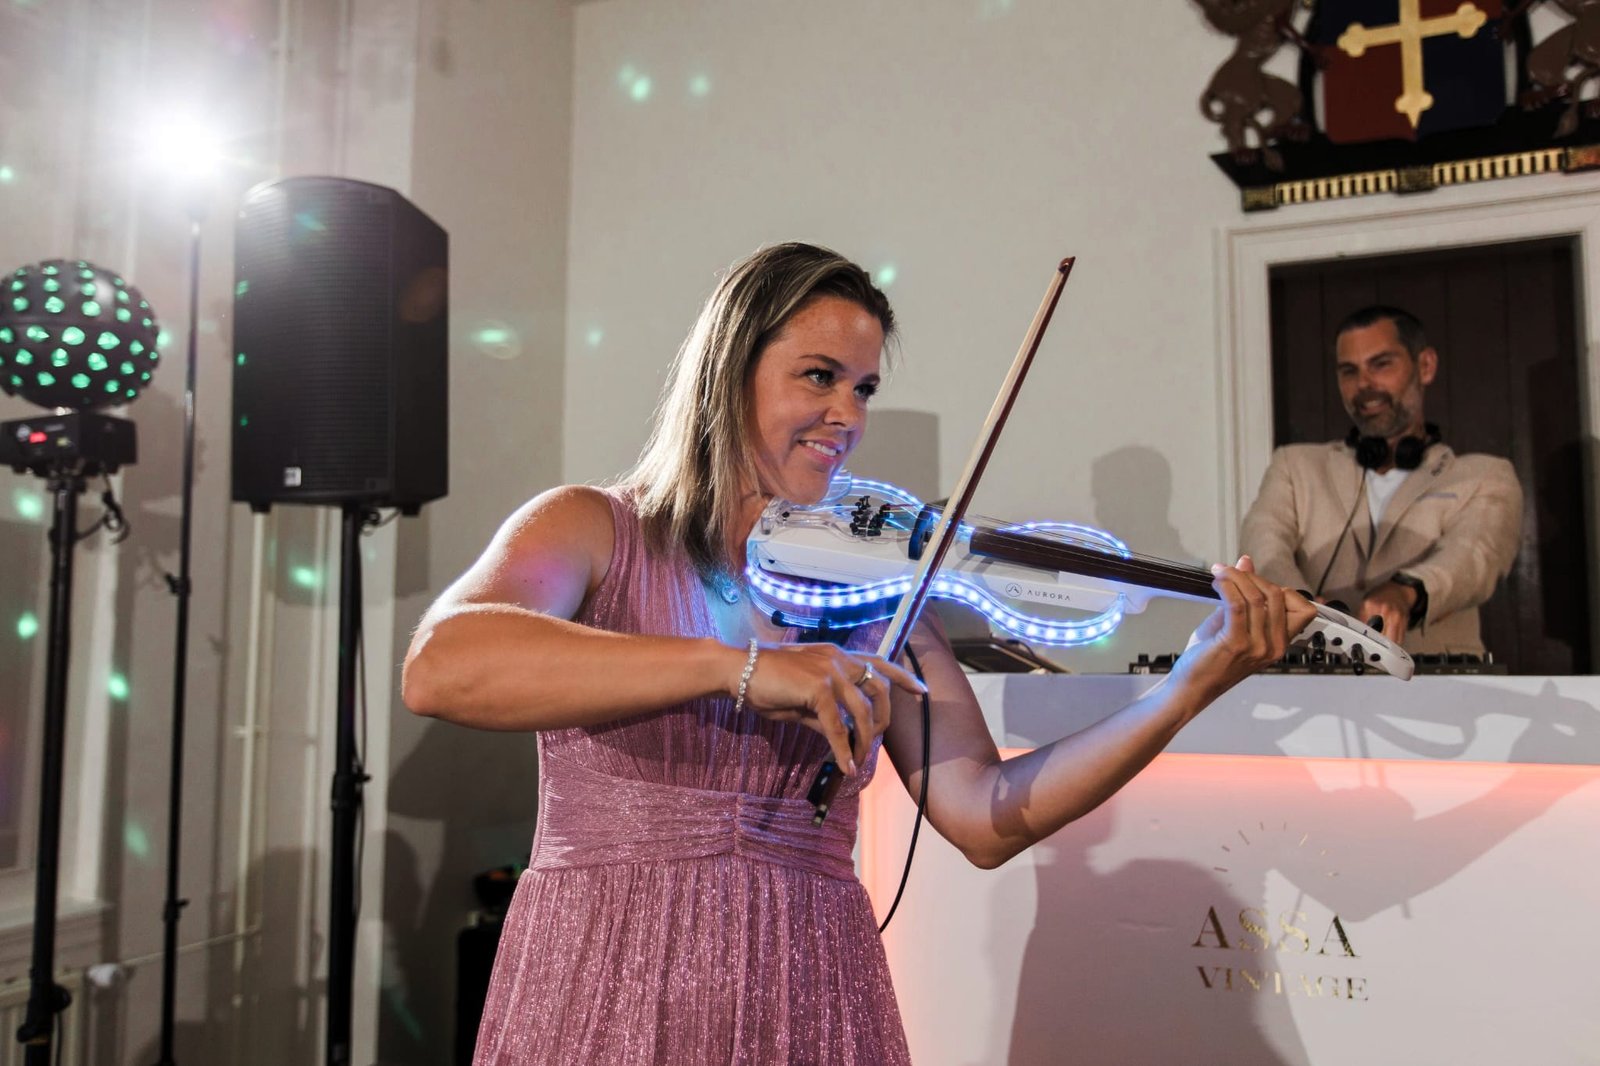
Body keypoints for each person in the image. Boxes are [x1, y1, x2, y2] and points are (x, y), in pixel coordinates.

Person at [402, 242, 1314, 1065]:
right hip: (607, 972)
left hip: (808, 983)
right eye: (820, 377)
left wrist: (1186, 691)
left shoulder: (877, 591)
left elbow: (984, 815)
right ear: (728, 373)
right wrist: (740, 669)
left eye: (864, 388)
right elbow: (443, 665)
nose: (848, 415)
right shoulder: (593, 528)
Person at [1239, 305, 1522, 655]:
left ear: (1425, 366)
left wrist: (1406, 591)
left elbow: (1474, 555)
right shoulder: (1293, 465)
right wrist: (1299, 601)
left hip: (1431, 680)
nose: (1364, 385)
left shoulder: (1485, 475)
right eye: (1349, 371)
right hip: (1311, 676)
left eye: (1381, 364)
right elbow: (1263, 543)